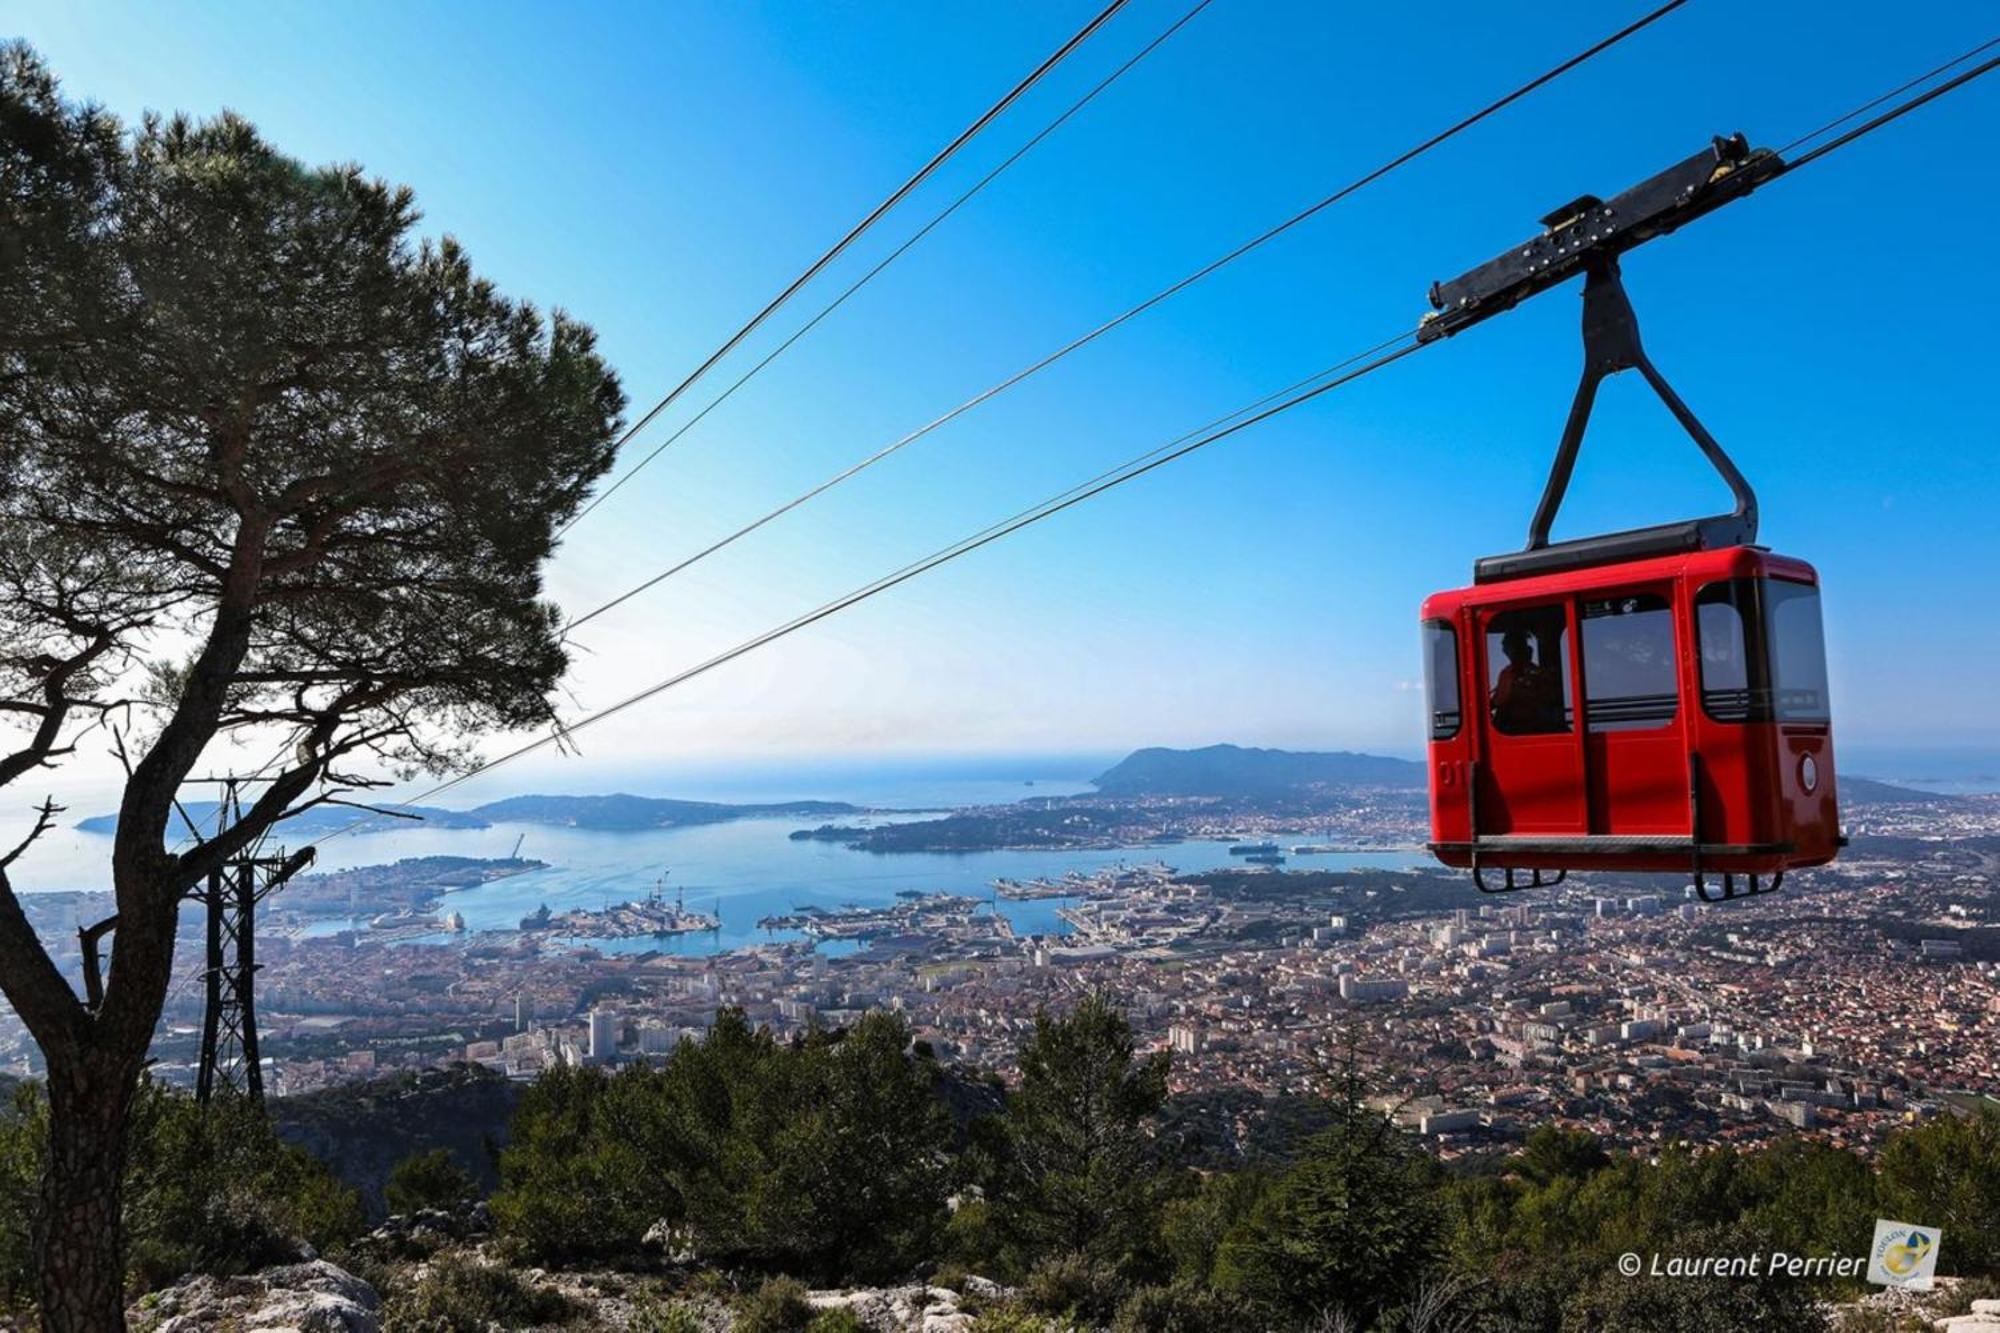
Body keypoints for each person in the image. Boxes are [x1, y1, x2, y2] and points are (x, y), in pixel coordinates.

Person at [1493, 628, 1562, 732]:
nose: (1509, 653)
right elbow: (1498, 700)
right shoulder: (1506, 674)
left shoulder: (1538, 675)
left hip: (1528, 730)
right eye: (1507, 649)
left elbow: (1548, 701)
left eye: (1515, 648)